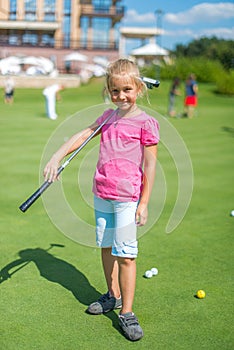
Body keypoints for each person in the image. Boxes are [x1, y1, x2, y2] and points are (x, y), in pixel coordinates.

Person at [43, 59, 160, 341]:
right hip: (102, 193)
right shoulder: (107, 117)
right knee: (107, 248)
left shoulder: (146, 123)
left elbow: (150, 165)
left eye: (127, 90)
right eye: (115, 91)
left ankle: (127, 313)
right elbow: (84, 135)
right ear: (108, 91)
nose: (121, 96)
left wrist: (144, 203)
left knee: (127, 256)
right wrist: (56, 156)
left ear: (139, 89)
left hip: (127, 198)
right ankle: (112, 295)